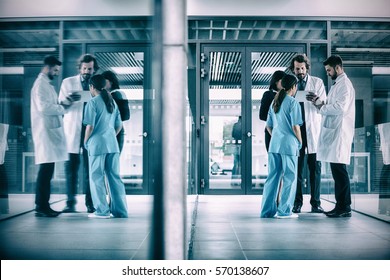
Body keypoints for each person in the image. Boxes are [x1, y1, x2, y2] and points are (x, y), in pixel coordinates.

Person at [306, 55, 355, 218]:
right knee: (337, 171)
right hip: (335, 132)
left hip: (340, 133)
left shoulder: (345, 86)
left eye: (329, 70)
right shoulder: (338, 85)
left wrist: (321, 105)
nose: (327, 73)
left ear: (338, 68)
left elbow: (340, 108)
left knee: (340, 171)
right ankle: (340, 205)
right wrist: (319, 101)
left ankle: (344, 207)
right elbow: (330, 104)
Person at [30, 56, 79, 217]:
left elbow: (52, 105)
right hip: (44, 133)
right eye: (56, 70)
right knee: (45, 171)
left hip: (49, 132)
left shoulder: (45, 85)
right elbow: (44, 108)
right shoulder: (40, 85)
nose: (57, 73)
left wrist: (65, 102)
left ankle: (43, 205)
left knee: (47, 171)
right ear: (48, 67)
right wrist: (63, 106)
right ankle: (41, 206)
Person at [83, 74, 128, 218]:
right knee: (114, 177)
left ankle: (102, 211)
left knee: (96, 177)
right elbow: (119, 125)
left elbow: (89, 127)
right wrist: (109, 136)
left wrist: (86, 142)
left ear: (91, 87)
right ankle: (120, 211)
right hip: (112, 145)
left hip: (97, 145)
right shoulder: (112, 102)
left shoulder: (93, 102)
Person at [59, 54, 99, 213]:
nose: (87, 71)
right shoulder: (68, 82)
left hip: (91, 129)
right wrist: (69, 100)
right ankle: (70, 203)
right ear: (80, 68)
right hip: (73, 131)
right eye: (84, 68)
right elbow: (60, 106)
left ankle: (90, 203)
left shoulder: (98, 83)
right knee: (71, 169)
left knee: (91, 170)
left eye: (90, 69)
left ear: (94, 69)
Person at [260, 74, 302, 219]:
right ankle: (284, 212)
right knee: (290, 177)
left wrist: (277, 136)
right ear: (294, 87)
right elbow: (296, 127)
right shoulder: (293, 102)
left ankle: (267, 211)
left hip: (274, 145)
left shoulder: (274, 102)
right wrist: (300, 142)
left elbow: (268, 127)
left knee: (272, 178)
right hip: (289, 146)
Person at [289, 54, 326, 214]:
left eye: (302, 68)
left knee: (315, 169)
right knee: (296, 169)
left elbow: (323, 106)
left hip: (313, 131)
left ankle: (315, 203)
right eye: (297, 69)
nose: (300, 71)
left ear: (307, 68)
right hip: (296, 130)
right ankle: (297, 203)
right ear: (293, 69)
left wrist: (315, 100)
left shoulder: (317, 82)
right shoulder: (290, 84)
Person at [101, 70, 130, 153]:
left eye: (104, 81)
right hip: (115, 130)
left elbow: (122, 116)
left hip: (115, 130)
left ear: (111, 82)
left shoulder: (115, 95)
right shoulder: (119, 93)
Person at [259, 70, 286, 151]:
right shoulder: (268, 94)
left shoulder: (287, 96)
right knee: (273, 158)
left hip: (284, 132)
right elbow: (262, 115)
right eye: (282, 81)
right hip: (271, 131)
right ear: (276, 82)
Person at [231, 116, 242, 183]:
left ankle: (234, 180)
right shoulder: (244, 125)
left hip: (236, 145)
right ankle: (240, 180)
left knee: (236, 162)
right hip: (241, 145)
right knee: (241, 163)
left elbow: (233, 134)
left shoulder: (235, 125)